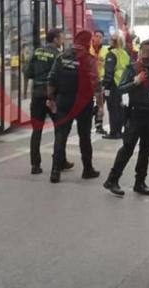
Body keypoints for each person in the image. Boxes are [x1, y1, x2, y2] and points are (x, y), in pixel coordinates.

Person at [104, 40, 149, 196]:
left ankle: (140, 182)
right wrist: (135, 82)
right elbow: (120, 89)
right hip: (136, 113)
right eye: (144, 51)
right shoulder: (132, 68)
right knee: (128, 148)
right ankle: (112, 179)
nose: (146, 54)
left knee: (146, 149)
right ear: (140, 52)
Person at [47, 30, 101, 184]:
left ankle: (55, 171)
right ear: (88, 42)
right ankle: (87, 169)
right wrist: (100, 105)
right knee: (84, 136)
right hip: (83, 103)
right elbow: (96, 83)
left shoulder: (61, 57)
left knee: (60, 135)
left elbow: (52, 79)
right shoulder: (89, 59)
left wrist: (51, 99)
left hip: (64, 101)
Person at [25, 28, 63, 174]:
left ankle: (35, 165)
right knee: (60, 129)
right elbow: (59, 76)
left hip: (37, 95)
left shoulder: (37, 52)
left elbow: (28, 72)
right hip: (51, 96)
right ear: (55, 39)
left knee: (37, 130)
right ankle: (60, 161)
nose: (62, 41)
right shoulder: (57, 55)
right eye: (61, 38)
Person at [102, 33, 131, 140]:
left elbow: (109, 72)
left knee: (113, 109)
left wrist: (105, 86)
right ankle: (119, 131)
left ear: (113, 42)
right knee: (119, 108)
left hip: (113, 84)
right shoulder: (124, 53)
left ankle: (114, 132)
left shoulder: (111, 54)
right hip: (123, 83)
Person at [91, 30, 108, 135]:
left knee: (100, 104)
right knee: (88, 103)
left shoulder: (106, 51)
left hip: (101, 80)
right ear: (93, 37)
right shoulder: (88, 49)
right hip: (89, 81)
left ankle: (99, 125)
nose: (98, 38)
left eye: (100, 37)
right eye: (96, 36)